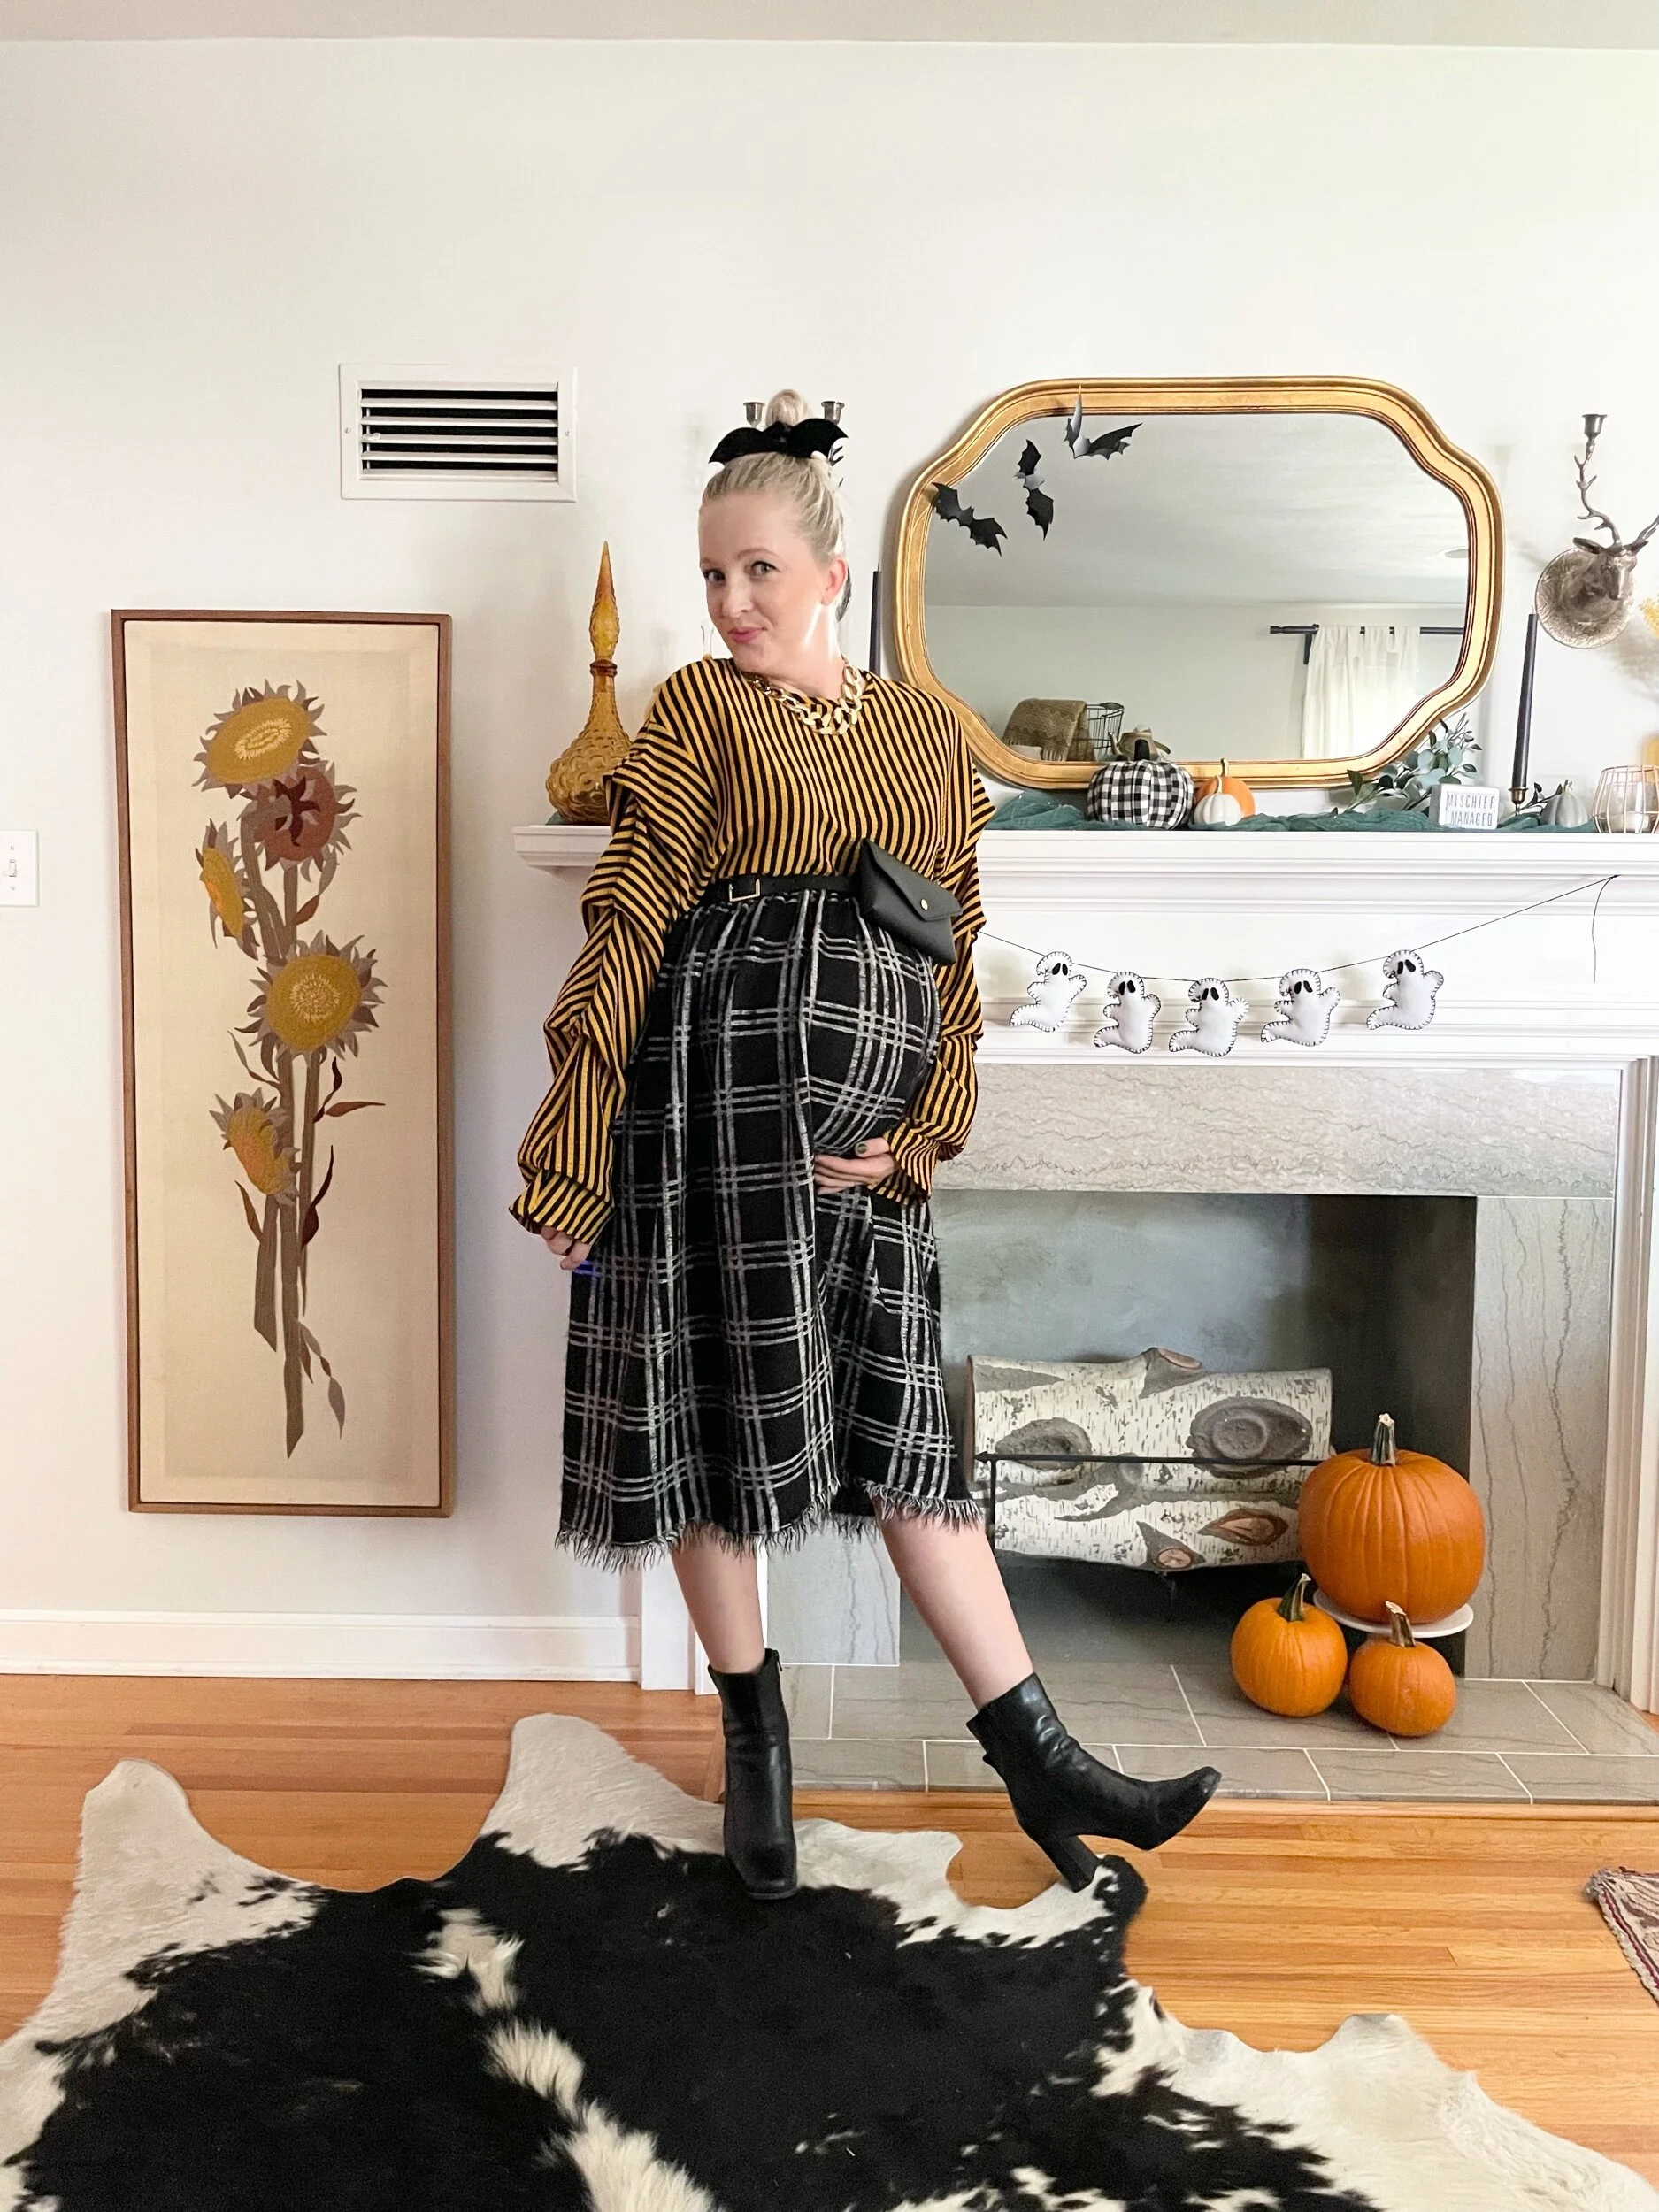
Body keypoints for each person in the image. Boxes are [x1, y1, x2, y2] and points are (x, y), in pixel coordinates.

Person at [512, 390, 1218, 1901]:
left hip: (863, 1162)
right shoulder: (698, 711)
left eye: (758, 571)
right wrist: (575, 1142)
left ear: (833, 576)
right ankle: (755, 1743)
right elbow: (632, 913)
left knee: (905, 1444)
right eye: (713, 575)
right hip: (705, 1128)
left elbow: (953, 955)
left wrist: (920, 1129)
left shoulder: (919, 734)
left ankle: (1041, 1757)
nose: (731, 602)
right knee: (709, 1429)